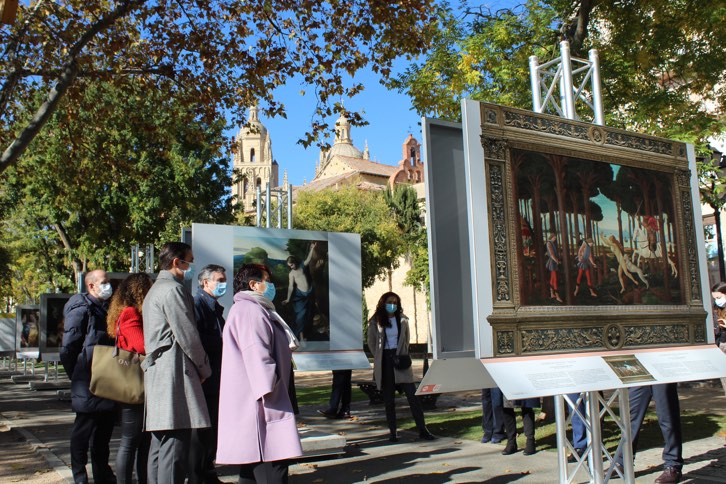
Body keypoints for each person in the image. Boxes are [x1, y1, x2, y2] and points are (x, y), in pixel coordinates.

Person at [216, 263, 302, 483]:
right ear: (254, 284)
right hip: (263, 406)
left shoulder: (252, 309)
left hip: (259, 404)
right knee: (271, 468)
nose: (271, 284)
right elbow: (257, 356)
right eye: (267, 279)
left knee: (254, 471)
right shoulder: (251, 311)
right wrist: (272, 388)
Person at [142, 242, 211, 484]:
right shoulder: (173, 290)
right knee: (174, 447)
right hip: (173, 372)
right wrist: (203, 367)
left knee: (160, 446)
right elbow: (188, 334)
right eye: (188, 261)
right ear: (176, 262)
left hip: (160, 373)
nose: (191, 266)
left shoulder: (156, 289)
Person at [60, 269, 117, 484]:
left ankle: (102, 475)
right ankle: (80, 476)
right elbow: (68, 348)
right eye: (104, 282)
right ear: (91, 286)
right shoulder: (81, 309)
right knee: (83, 432)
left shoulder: (105, 309)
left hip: (106, 379)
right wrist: (77, 375)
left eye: (108, 282)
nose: (108, 286)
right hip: (88, 380)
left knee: (103, 433)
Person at [367, 292, 436, 443]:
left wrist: (401, 353)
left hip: (400, 359)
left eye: (395, 302)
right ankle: (393, 432)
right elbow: (371, 342)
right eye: (390, 301)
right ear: (383, 302)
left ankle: (422, 430)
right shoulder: (375, 321)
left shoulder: (402, 320)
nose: (392, 305)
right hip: (385, 360)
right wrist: (379, 356)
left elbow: (406, 339)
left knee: (412, 396)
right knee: (389, 400)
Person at [106, 273, 154, 484]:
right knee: (130, 440)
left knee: (142, 440)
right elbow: (141, 345)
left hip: (136, 382)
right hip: (133, 384)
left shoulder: (122, 312)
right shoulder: (130, 313)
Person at [190, 264, 227, 484]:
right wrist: (224, 343)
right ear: (206, 282)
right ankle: (197, 477)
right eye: (220, 280)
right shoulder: (198, 305)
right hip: (205, 378)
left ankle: (208, 473)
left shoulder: (214, 307)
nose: (223, 284)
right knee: (201, 433)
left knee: (211, 430)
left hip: (215, 376)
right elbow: (195, 340)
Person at [612, 384, 683, 483]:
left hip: (661, 375)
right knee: (630, 419)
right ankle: (622, 462)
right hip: (640, 375)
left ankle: (673, 465)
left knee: (667, 418)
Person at [282, 242, 316, 339]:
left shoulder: (301, 266)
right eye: (289, 266)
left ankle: (307, 334)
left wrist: (312, 248)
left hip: (309, 293)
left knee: (309, 314)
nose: (291, 267)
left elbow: (308, 259)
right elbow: (291, 287)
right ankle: (301, 337)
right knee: (300, 316)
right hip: (300, 296)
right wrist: (288, 299)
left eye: (291, 264)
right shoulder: (291, 274)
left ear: (295, 262)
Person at [711, 282, 726, 395]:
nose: (717, 300)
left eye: (719, 297)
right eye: (715, 298)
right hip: (721, 342)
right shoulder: (717, 307)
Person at [545, 232, 563, 302]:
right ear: (551, 237)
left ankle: (552, 294)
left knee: (552, 279)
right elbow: (552, 254)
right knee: (555, 279)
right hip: (552, 262)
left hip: (554, 262)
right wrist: (557, 261)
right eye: (554, 238)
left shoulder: (552, 243)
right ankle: (557, 296)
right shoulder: (549, 243)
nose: (555, 239)